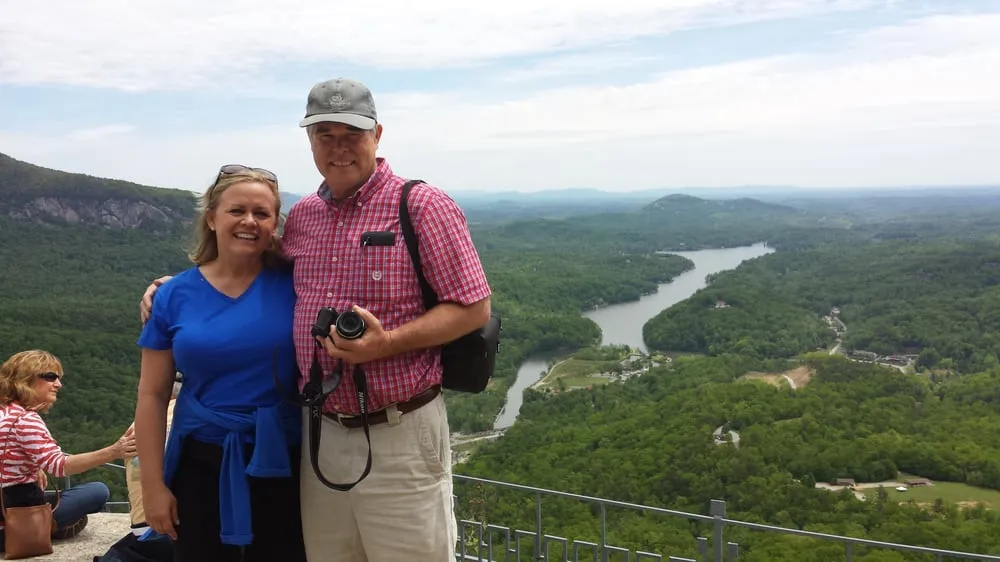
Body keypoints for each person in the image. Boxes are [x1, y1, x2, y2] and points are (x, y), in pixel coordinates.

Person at [141, 77, 492, 561]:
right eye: (325, 133)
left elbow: (474, 307)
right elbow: (243, 268)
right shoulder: (305, 216)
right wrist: (173, 289)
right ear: (309, 140)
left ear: (378, 134)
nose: (339, 146)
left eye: (352, 133)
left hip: (400, 429)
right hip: (317, 434)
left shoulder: (422, 205)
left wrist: (385, 344)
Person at [134, 166, 307, 562]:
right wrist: (153, 487)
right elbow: (152, 394)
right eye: (237, 210)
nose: (249, 221)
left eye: (262, 213)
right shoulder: (173, 296)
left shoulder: (298, 283)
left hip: (284, 458)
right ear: (211, 218)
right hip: (199, 463)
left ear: (274, 224)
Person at [0, 349, 135, 552]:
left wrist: (33, 466)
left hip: (6, 507)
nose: (58, 384)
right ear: (25, 379)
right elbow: (60, 466)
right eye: (49, 377)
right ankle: (40, 530)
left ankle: (48, 527)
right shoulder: (25, 420)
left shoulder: (4, 412)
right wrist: (114, 451)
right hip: (15, 519)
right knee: (97, 491)